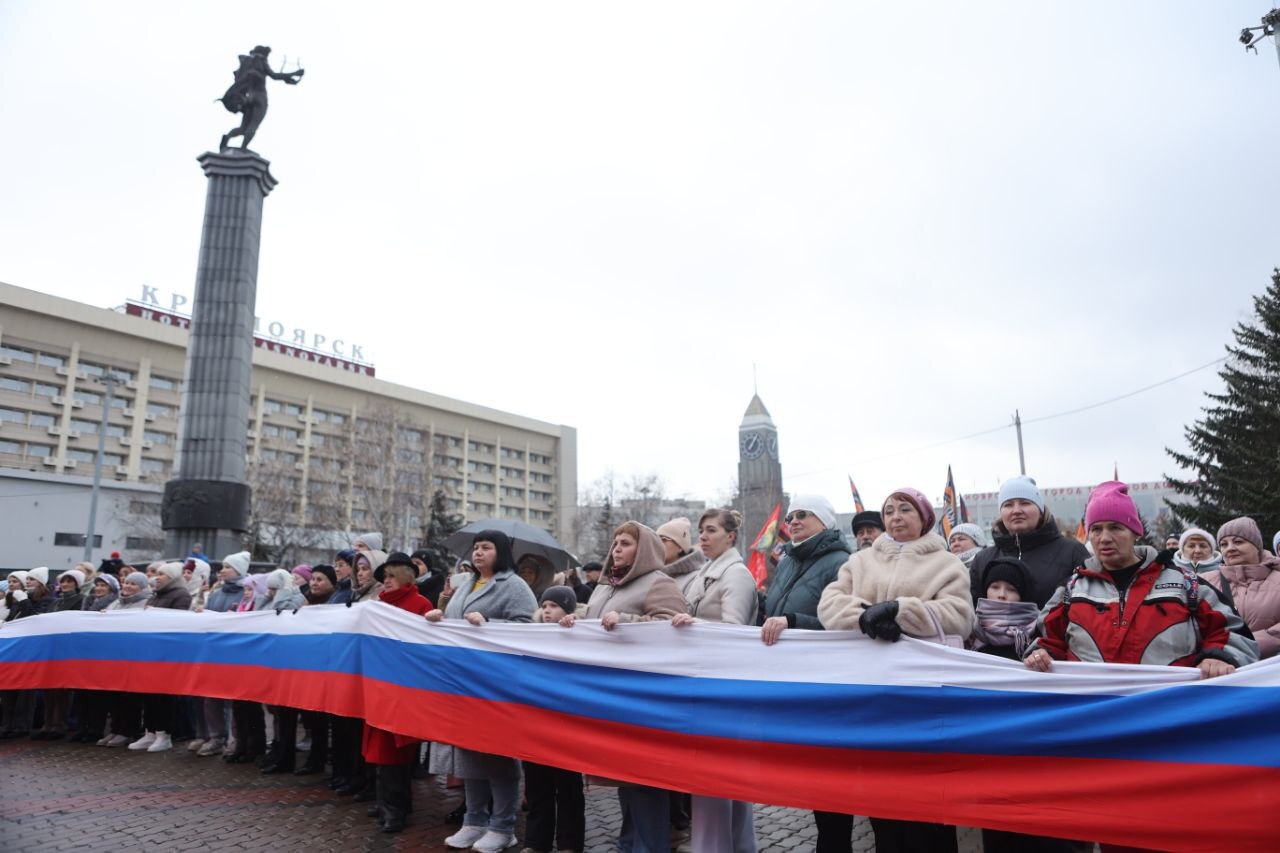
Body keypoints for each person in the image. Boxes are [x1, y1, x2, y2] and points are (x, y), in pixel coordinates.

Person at [818, 487, 972, 853]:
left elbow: (961, 617)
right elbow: (829, 602)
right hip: (870, 696)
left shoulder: (946, 563)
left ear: (923, 518)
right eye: (889, 511)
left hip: (923, 700)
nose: (896, 517)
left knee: (928, 803)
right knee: (882, 800)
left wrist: (901, 611)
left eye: (905, 509)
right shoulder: (861, 561)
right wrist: (864, 615)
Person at [1025, 482, 1258, 675]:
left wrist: (1218, 657)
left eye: (1115, 528)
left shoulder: (1187, 584)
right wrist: (1040, 654)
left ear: (1136, 532)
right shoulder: (1071, 589)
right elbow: (1043, 639)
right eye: (1096, 529)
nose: (1104, 538)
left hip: (1168, 718)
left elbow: (1235, 634)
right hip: (1092, 719)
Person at [560, 522, 688, 853]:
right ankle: (630, 842)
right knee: (625, 777)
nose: (616, 548)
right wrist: (573, 622)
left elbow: (674, 632)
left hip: (642, 699)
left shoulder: (659, 583)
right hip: (608, 696)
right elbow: (596, 626)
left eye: (626, 543)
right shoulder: (605, 586)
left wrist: (626, 621)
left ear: (643, 549)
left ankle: (648, 845)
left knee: (644, 782)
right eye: (615, 542)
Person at [429, 531, 537, 853]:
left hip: (496, 685)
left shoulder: (514, 585)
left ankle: (503, 827)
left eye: (486, 548)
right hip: (464, 683)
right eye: (476, 548)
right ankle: (474, 821)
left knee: (498, 757)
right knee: (469, 754)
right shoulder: (466, 585)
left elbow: (531, 627)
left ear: (500, 552)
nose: (478, 553)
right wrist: (440, 615)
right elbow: (455, 624)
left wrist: (490, 624)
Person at [757, 494, 854, 850]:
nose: (793, 521)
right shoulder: (785, 562)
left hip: (826, 681)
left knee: (831, 774)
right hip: (792, 678)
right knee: (813, 773)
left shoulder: (842, 562)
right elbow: (772, 610)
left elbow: (844, 624)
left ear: (824, 522)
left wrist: (795, 622)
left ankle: (835, 844)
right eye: (792, 515)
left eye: (804, 515)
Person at [671, 509, 758, 853]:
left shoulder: (735, 575)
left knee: (714, 775)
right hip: (706, 681)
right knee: (720, 778)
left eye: (710, 531)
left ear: (730, 537)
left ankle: (716, 847)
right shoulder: (706, 571)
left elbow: (735, 632)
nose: (702, 537)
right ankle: (729, 845)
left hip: (721, 685)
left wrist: (694, 627)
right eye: (701, 531)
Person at [360, 553, 434, 833]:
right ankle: (385, 801)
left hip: (403, 689)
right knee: (379, 749)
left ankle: (397, 809)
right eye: (384, 577)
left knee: (396, 753)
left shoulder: (420, 604)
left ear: (407, 576)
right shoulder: (378, 606)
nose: (386, 581)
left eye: (391, 575)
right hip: (378, 685)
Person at [522, 587, 587, 853]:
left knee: (568, 787)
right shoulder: (529, 635)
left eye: (554, 605)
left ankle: (570, 843)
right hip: (536, 722)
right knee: (537, 786)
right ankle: (537, 842)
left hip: (566, 725)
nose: (547, 610)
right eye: (544, 605)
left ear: (568, 610)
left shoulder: (580, 636)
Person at [969, 476, 1090, 608]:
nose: (1016, 510)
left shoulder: (1072, 552)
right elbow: (974, 611)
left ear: (1040, 510)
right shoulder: (983, 560)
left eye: (1025, 503)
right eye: (1008, 505)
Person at [1201, 517, 1280, 659]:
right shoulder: (1204, 582)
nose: (1230, 548)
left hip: (1271, 671)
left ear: (1257, 546)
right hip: (1221, 669)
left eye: (1238, 541)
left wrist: (1247, 646)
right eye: (1224, 544)